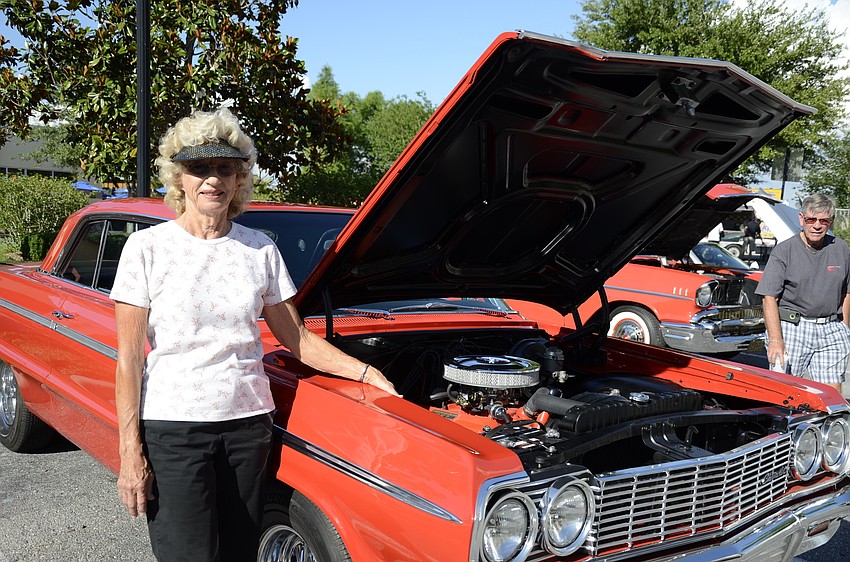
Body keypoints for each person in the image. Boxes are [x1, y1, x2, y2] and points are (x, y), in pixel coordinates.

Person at [111, 107, 399, 562]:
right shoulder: (147, 249)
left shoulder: (259, 248)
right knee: (188, 554)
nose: (212, 179)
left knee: (240, 551)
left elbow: (297, 337)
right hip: (174, 428)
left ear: (240, 177)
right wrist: (130, 454)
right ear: (178, 178)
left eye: (225, 168)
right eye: (199, 168)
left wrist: (364, 371)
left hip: (248, 427)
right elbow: (128, 359)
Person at [756, 193, 850, 393]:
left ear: (830, 222)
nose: (817, 225)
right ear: (801, 219)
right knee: (785, 392)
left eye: (823, 220)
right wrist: (775, 340)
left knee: (830, 395)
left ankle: (826, 425)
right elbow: (769, 297)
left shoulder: (840, 248)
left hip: (832, 328)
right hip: (792, 328)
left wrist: (845, 328)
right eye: (811, 219)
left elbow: (847, 292)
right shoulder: (785, 250)